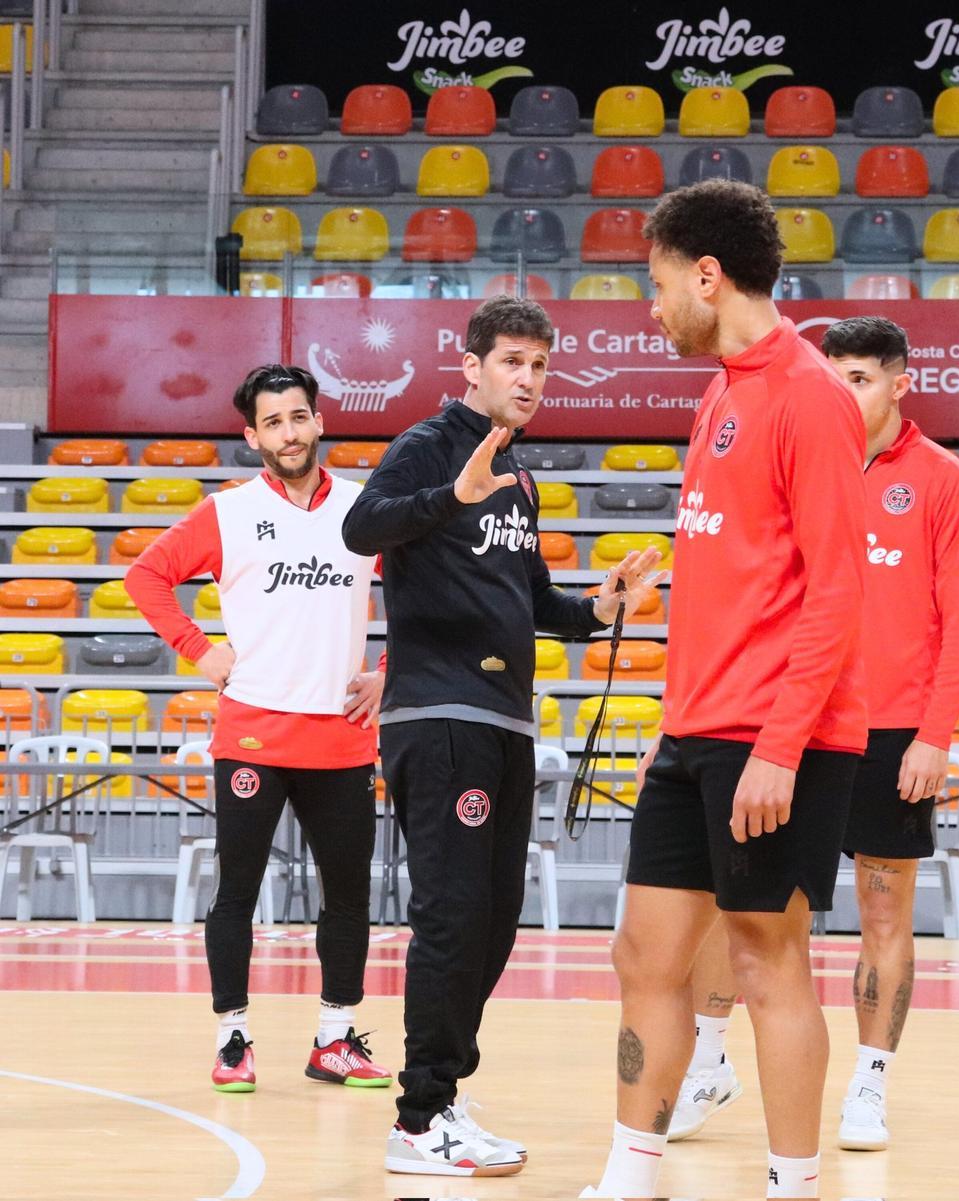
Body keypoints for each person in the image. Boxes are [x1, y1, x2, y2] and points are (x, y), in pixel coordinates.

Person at [580, 180, 869, 1201]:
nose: (650, 308)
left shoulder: (811, 395)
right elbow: (755, 552)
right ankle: (634, 1168)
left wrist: (782, 747)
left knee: (765, 965)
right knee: (643, 955)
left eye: (657, 285)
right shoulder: (720, 391)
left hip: (775, 737)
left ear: (708, 276)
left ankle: (794, 1183)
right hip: (694, 729)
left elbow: (839, 588)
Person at [341, 295, 663, 1179]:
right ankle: (417, 1119)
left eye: (541, 365)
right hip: (438, 717)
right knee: (450, 919)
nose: (528, 379)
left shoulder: (517, 477)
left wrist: (604, 609)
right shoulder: (431, 446)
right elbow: (359, 527)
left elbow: (535, 603)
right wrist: (452, 493)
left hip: (503, 722)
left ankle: (441, 1096)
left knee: (492, 925)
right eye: (512, 361)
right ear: (471, 366)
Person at [668, 315, 959, 1155]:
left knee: (885, 908)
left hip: (890, 732)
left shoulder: (943, 480)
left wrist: (934, 733)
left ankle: (871, 1083)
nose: (845, 393)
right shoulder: (796, 445)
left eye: (862, 379)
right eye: (834, 375)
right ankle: (709, 1060)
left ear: (897, 382)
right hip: (787, 722)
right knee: (749, 913)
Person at [124, 364, 390, 1093]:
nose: (290, 432)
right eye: (273, 422)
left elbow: (428, 593)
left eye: (299, 416)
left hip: (340, 736)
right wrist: (200, 649)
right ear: (252, 435)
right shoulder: (228, 512)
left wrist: (388, 669)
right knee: (237, 891)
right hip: (252, 735)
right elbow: (145, 576)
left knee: (349, 895)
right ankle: (233, 1037)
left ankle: (335, 1039)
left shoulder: (368, 510)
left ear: (319, 421)